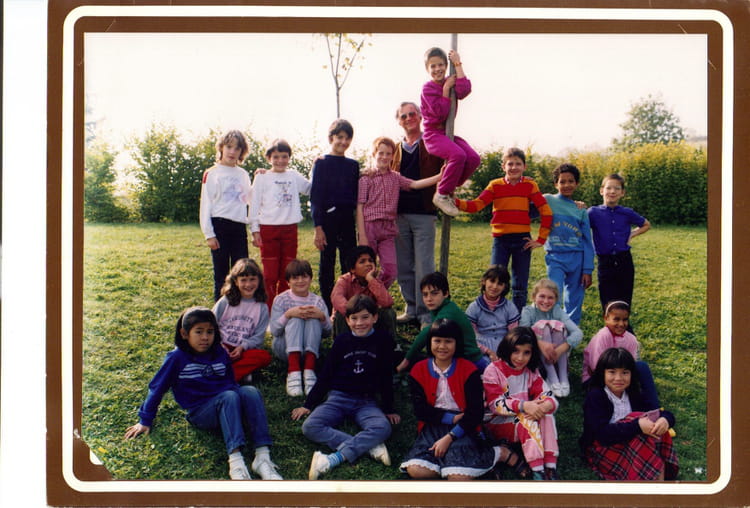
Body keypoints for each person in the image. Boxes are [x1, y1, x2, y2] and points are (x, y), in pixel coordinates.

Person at [123, 306, 282, 480]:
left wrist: (242, 403)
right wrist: (145, 420)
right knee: (228, 396)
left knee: (250, 391)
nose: (205, 337)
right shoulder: (176, 358)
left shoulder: (219, 352)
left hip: (226, 403)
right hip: (200, 413)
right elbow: (157, 388)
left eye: (210, 332)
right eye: (199, 332)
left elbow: (230, 381)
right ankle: (236, 463)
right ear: (184, 334)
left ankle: (262, 457)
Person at [290, 295, 400, 480]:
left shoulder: (383, 340)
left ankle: (334, 458)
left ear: (375, 317)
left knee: (383, 427)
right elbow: (326, 375)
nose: (359, 323)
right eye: (354, 318)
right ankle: (370, 447)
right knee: (310, 426)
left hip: (366, 401)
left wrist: (388, 409)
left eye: (365, 317)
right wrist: (309, 404)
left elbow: (385, 376)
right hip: (339, 397)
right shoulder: (342, 341)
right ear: (347, 320)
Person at [400, 319, 524, 480]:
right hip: (434, 424)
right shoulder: (418, 369)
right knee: (418, 471)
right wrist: (450, 418)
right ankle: (448, 462)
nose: (442, 346)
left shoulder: (468, 370)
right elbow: (420, 410)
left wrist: (450, 437)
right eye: (437, 341)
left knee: (459, 479)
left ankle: (500, 453)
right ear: (429, 342)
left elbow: (475, 413)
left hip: (464, 426)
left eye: (448, 341)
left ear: (457, 343)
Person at [455, 147, 553, 312]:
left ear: (524, 166)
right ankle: (492, 313)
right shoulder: (495, 185)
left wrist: (541, 239)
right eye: (510, 164)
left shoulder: (530, 185)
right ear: (503, 166)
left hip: (523, 240)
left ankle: (517, 318)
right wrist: (456, 201)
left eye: (518, 164)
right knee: (494, 280)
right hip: (500, 241)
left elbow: (546, 211)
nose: (514, 167)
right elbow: (476, 205)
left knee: (520, 284)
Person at [356, 136, 441, 289]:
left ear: (392, 156)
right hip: (370, 228)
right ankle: (363, 298)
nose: (384, 157)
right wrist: (362, 235)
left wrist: (440, 177)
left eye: (388, 154)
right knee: (366, 269)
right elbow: (360, 207)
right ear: (374, 154)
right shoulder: (366, 178)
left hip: (388, 229)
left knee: (391, 270)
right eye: (381, 153)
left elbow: (414, 184)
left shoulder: (396, 177)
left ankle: (375, 292)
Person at [580, 347, 678, 481]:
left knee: (655, 426)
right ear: (602, 373)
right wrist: (637, 426)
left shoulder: (633, 394)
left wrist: (665, 420)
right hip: (602, 447)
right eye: (612, 372)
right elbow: (601, 434)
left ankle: (659, 479)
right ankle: (655, 481)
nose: (618, 378)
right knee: (639, 428)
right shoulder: (596, 396)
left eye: (625, 373)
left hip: (629, 442)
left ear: (632, 374)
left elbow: (658, 412)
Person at [482, 327, 560, 480]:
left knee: (546, 415)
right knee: (526, 418)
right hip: (496, 423)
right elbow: (495, 405)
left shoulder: (531, 370)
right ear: (507, 348)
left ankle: (550, 466)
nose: (520, 358)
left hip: (521, 419)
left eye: (526, 352)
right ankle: (537, 470)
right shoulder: (493, 370)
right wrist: (524, 405)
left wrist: (546, 405)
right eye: (516, 351)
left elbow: (547, 395)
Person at [391, 101, 443, 327]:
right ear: (398, 121)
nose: (408, 118)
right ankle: (411, 309)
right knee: (403, 266)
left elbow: (449, 167)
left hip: (424, 213)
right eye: (403, 116)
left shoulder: (432, 143)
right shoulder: (394, 149)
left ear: (420, 116)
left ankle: (425, 314)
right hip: (398, 215)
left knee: (424, 266)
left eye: (412, 114)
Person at [249, 139, 311, 307]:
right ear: (269, 158)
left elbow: (310, 189)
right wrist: (254, 230)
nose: (280, 160)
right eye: (276, 157)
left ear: (289, 157)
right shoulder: (262, 177)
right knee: (270, 274)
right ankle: (268, 310)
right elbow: (254, 204)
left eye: (284, 156)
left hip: (290, 229)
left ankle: (284, 308)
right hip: (268, 230)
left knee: (287, 273)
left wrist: (317, 168)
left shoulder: (293, 176)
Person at [420, 47, 480, 216]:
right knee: (458, 155)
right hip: (433, 135)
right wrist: (446, 90)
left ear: (446, 66)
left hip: (447, 133)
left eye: (440, 65)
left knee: (473, 158)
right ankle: (441, 194)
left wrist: (458, 64)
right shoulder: (428, 89)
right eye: (432, 66)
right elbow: (440, 114)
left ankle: (449, 186)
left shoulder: (450, 80)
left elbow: (464, 90)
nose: (437, 69)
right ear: (427, 69)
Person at [310, 119, 359, 313]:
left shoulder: (353, 165)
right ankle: (328, 307)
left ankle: (348, 306)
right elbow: (316, 197)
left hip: (347, 221)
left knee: (349, 264)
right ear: (331, 138)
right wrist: (318, 228)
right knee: (327, 264)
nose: (343, 142)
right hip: (327, 221)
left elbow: (355, 191)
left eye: (347, 138)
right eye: (340, 137)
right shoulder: (322, 163)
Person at [396, 272, 487, 373]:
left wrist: (406, 361)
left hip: (469, 362)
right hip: (455, 358)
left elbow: (427, 333)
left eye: (434, 293)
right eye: (425, 294)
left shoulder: (448, 312)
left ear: (446, 293)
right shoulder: (439, 307)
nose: (429, 299)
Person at [199, 130, 253, 301]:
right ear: (221, 148)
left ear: (242, 152)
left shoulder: (243, 174)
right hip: (219, 226)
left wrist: (260, 179)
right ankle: (220, 311)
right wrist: (209, 234)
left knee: (242, 273)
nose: (232, 152)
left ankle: (240, 310)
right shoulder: (212, 173)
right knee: (221, 275)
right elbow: (206, 204)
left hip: (238, 228)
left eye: (237, 148)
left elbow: (250, 199)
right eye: (229, 147)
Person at [588, 173, 651, 314]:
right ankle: (609, 324)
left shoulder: (627, 212)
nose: (612, 191)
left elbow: (646, 224)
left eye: (617, 189)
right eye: (608, 188)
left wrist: (632, 234)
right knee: (607, 296)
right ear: (601, 191)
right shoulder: (592, 212)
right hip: (605, 261)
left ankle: (624, 324)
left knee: (625, 296)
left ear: (622, 193)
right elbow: (579, 225)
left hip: (624, 260)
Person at [582, 300, 660, 410]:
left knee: (642, 366)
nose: (621, 324)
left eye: (625, 320)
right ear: (606, 318)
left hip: (621, 378)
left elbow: (630, 366)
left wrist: (624, 379)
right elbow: (596, 368)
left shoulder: (631, 339)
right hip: (598, 378)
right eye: (616, 319)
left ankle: (654, 408)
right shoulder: (603, 336)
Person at [270, 259, 331, 397]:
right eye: (295, 278)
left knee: (313, 317)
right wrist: (288, 314)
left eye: (304, 277)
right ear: (288, 282)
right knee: (295, 318)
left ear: (310, 279)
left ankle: (309, 370)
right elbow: (274, 330)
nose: (300, 281)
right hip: (284, 348)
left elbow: (327, 332)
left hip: (310, 348)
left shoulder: (317, 301)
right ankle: (294, 372)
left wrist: (322, 317)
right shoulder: (281, 299)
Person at [543, 163, 594, 324]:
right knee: (553, 294)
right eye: (562, 181)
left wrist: (587, 269)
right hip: (555, 257)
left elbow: (587, 241)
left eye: (571, 181)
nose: (567, 185)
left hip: (577, 258)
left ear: (576, 183)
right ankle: (553, 328)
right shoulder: (548, 200)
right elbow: (527, 207)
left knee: (575, 298)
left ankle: (571, 331)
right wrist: (526, 182)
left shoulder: (581, 210)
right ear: (555, 184)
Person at [519, 279, 583, 398]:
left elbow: (578, 333)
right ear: (534, 297)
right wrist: (540, 343)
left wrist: (560, 349)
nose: (546, 301)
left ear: (556, 299)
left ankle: (563, 376)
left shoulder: (557, 310)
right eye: (542, 296)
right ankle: (552, 376)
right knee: (543, 326)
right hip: (536, 354)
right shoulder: (528, 311)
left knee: (558, 327)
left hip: (557, 354)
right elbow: (522, 333)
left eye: (550, 298)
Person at [212, 258, 272, 384]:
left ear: (259, 280)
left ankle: (225, 377)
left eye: (252, 279)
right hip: (221, 346)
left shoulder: (262, 307)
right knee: (207, 352)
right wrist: (220, 345)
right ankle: (239, 373)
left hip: (243, 350)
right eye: (243, 280)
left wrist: (242, 347)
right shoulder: (225, 301)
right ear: (235, 281)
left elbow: (258, 337)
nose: (248, 284)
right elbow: (211, 324)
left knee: (264, 357)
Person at [330, 245, 396, 340]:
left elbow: (387, 302)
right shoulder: (344, 280)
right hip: (351, 323)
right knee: (340, 315)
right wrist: (357, 315)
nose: (368, 264)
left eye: (370, 261)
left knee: (388, 312)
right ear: (352, 269)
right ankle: (344, 346)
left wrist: (370, 280)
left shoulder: (375, 281)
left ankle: (390, 345)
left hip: (369, 322)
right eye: (362, 262)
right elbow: (336, 299)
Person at [465, 265, 520, 364]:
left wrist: (506, 350)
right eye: (492, 281)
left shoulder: (509, 307)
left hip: (504, 346)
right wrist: (487, 351)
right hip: (481, 348)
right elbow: (469, 336)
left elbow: (513, 333)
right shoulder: (474, 307)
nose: (494, 286)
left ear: (504, 287)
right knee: (484, 364)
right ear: (484, 281)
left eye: (500, 284)